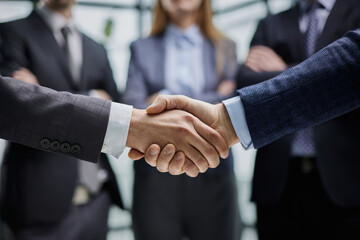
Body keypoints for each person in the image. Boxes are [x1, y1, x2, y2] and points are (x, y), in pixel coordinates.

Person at [0, 0, 225, 239]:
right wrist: (93, 97)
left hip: (98, 197)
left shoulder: (95, 48)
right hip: (39, 198)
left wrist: (43, 89)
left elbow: (118, 104)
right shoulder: (10, 32)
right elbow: (18, 101)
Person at [235, 0, 360, 239]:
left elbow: (353, 77)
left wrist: (283, 70)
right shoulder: (270, 23)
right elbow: (247, 82)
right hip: (280, 182)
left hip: (346, 183)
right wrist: (321, 75)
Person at [122, 0, 241, 239]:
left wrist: (161, 97)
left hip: (214, 172)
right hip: (154, 177)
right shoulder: (141, 48)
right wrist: (210, 98)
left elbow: (229, 103)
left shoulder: (225, 47)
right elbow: (133, 106)